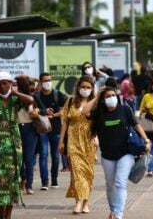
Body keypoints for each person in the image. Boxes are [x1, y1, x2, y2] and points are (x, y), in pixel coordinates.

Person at [81, 86, 151, 219]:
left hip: (126, 153)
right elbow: (84, 112)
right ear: (103, 99)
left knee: (120, 182)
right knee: (110, 184)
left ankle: (118, 214)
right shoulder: (99, 112)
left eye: (113, 95)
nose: (111, 98)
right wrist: (97, 97)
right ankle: (113, 210)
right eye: (107, 96)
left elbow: (136, 125)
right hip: (107, 155)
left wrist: (146, 140)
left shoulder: (125, 109)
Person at [0, 71, 34, 219]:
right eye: (0, 84)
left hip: (13, 148)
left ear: (10, 84)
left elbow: (30, 100)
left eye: (6, 83)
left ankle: (7, 215)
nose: (3, 86)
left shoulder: (15, 100)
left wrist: (15, 93)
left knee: (11, 182)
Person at [58, 75, 96, 214]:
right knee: (76, 172)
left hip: (88, 140)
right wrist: (61, 141)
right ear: (78, 87)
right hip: (73, 141)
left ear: (92, 89)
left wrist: (96, 137)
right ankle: (78, 202)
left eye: (88, 87)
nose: (85, 89)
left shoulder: (95, 103)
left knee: (88, 173)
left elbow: (98, 122)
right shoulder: (70, 102)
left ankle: (86, 203)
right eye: (83, 87)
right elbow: (65, 123)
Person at [34, 72, 67, 190]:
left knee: (56, 156)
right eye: (45, 81)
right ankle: (44, 182)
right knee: (43, 154)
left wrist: (55, 115)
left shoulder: (58, 95)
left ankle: (54, 180)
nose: (48, 82)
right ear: (41, 82)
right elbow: (34, 110)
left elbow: (64, 110)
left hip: (56, 130)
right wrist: (43, 112)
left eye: (49, 80)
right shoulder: (36, 95)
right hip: (42, 129)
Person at [15, 77, 38, 195]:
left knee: (28, 158)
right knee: (18, 158)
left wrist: (37, 111)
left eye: (16, 85)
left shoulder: (31, 97)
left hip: (29, 129)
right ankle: (22, 178)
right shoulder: (12, 98)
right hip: (16, 128)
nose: (13, 87)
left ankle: (29, 185)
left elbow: (43, 109)